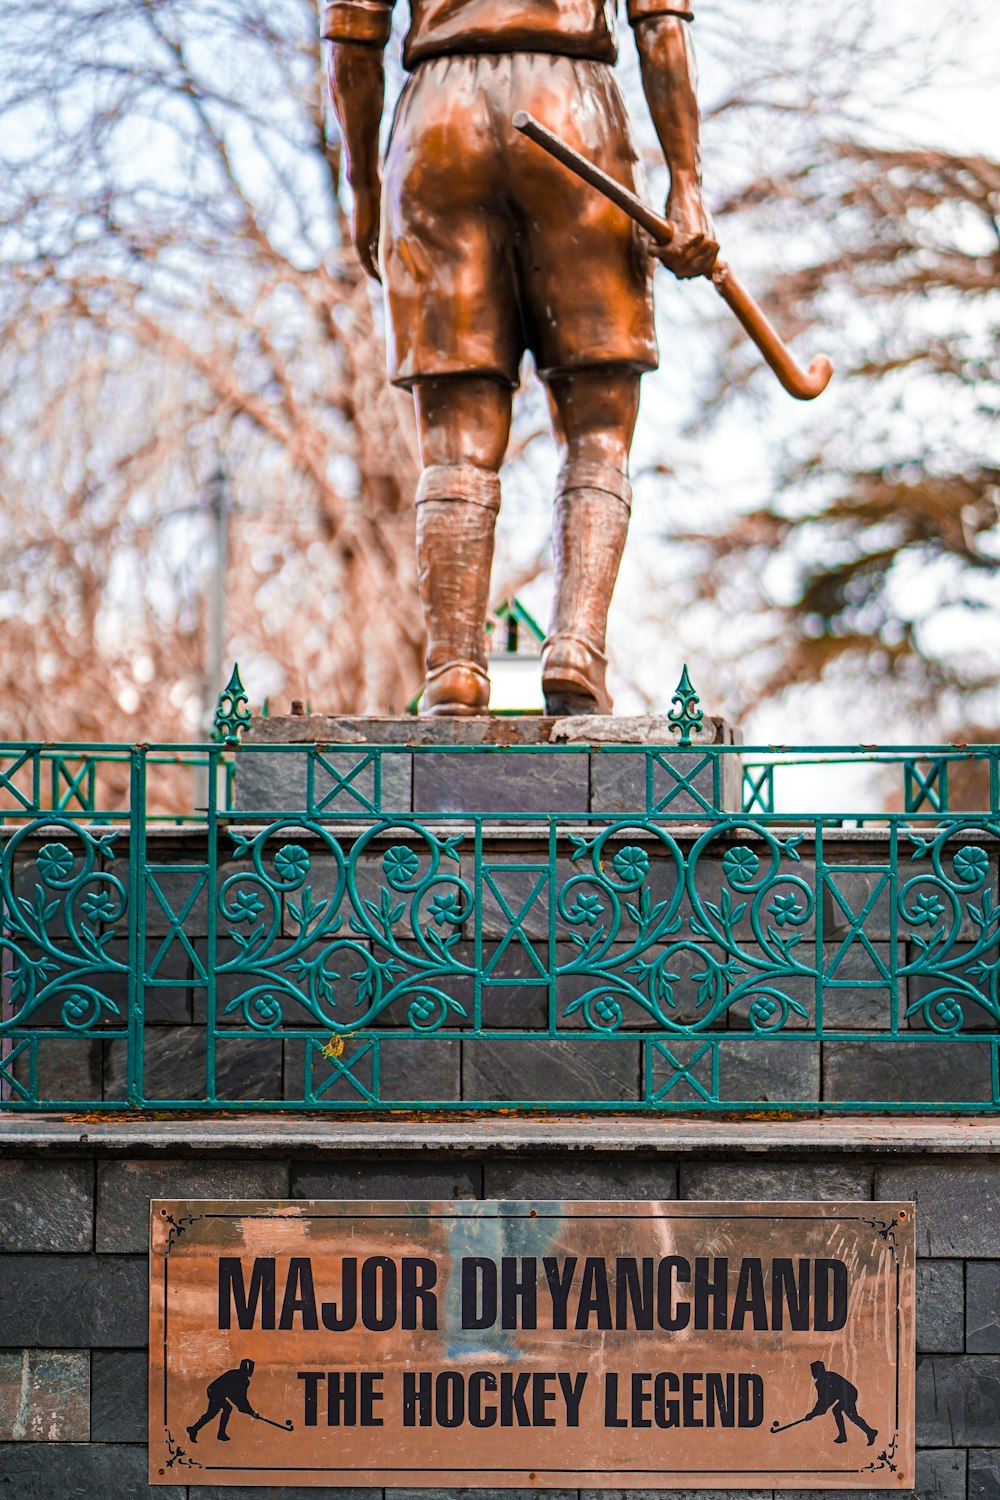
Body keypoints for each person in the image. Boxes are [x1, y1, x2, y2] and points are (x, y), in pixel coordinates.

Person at [324, 0, 718, 716]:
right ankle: (576, 645)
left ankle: (454, 667)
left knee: (455, 434)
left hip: (436, 126)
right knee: (598, 417)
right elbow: (660, 20)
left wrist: (366, 190)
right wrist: (687, 184)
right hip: (572, 107)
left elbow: (354, 34)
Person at [806, 1360, 878, 1446]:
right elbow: (823, 1401)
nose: (812, 1373)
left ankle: (867, 1433)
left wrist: (813, 1414)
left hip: (849, 1394)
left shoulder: (829, 1377)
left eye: (814, 1370)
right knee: (837, 1411)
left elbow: (824, 1401)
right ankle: (866, 1432)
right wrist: (814, 1413)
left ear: (820, 1371)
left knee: (850, 1416)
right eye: (812, 1371)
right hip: (842, 1396)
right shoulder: (820, 1382)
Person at [187, 1359, 258, 1444]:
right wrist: (250, 1412)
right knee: (226, 1408)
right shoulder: (237, 1377)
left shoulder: (243, 1380)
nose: (251, 1371)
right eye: (250, 1368)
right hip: (214, 1392)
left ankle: (194, 1429)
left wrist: (250, 1411)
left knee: (212, 1414)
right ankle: (220, 1433)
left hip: (217, 1393)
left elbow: (241, 1399)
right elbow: (237, 1398)